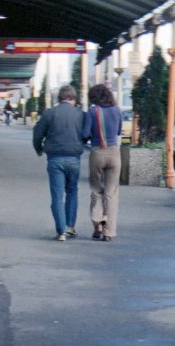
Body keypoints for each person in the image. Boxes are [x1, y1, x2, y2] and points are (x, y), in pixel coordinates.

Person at [32, 85, 85, 241]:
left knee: (57, 195)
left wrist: (39, 149)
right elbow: (87, 134)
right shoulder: (81, 114)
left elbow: (38, 133)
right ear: (74, 99)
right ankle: (70, 227)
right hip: (74, 158)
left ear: (60, 98)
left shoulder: (50, 113)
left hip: (55, 159)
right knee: (72, 191)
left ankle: (61, 232)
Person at [81, 84, 122, 242]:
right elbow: (118, 131)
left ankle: (97, 224)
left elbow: (85, 133)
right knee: (111, 194)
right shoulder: (117, 110)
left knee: (96, 190)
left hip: (97, 152)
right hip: (114, 153)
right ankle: (108, 231)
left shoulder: (93, 111)